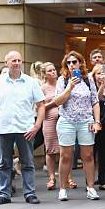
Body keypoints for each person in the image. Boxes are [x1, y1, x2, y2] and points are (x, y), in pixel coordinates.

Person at [0, 50, 45, 205]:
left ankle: (30, 193)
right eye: (13, 60)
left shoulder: (31, 82)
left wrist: (37, 125)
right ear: (6, 63)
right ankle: (4, 194)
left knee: (28, 162)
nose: (17, 63)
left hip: (25, 128)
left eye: (19, 60)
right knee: (3, 163)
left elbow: (41, 105)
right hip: (3, 128)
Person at [54, 51, 101, 201]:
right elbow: (58, 101)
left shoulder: (88, 80)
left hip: (86, 120)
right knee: (66, 156)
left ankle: (91, 187)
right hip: (67, 120)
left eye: (75, 62)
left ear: (80, 63)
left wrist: (97, 121)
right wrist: (69, 87)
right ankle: (62, 188)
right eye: (69, 62)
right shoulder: (63, 80)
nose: (72, 65)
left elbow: (95, 101)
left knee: (88, 155)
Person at [91, 64, 105, 191]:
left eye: (103, 73)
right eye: (98, 73)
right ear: (93, 76)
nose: (101, 76)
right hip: (93, 124)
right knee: (90, 154)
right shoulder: (91, 88)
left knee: (104, 153)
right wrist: (101, 87)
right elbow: (96, 99)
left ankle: (103, 180)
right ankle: (89, 181)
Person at [40, 62, 61, 190]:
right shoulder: (42, 88)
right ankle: (52, 177)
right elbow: (40, 107)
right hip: (48, 120)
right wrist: (54, 103)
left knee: (65, 149)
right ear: (45, 74)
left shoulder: (62, 84)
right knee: (50, 150)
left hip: (64, 119)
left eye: (54, 69)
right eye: (50, 71)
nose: (53, 72)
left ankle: (68, 177)